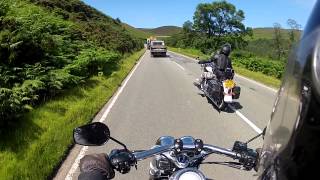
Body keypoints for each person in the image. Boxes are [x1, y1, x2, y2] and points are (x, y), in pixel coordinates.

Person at [78, 1, 320, 179]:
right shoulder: (227, 59)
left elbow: (214, 64)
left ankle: (208, 91)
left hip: (218, 79)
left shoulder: (218, 57)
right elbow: (225, 68)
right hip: (223, 80)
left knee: (206, 78)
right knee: (207, 79)